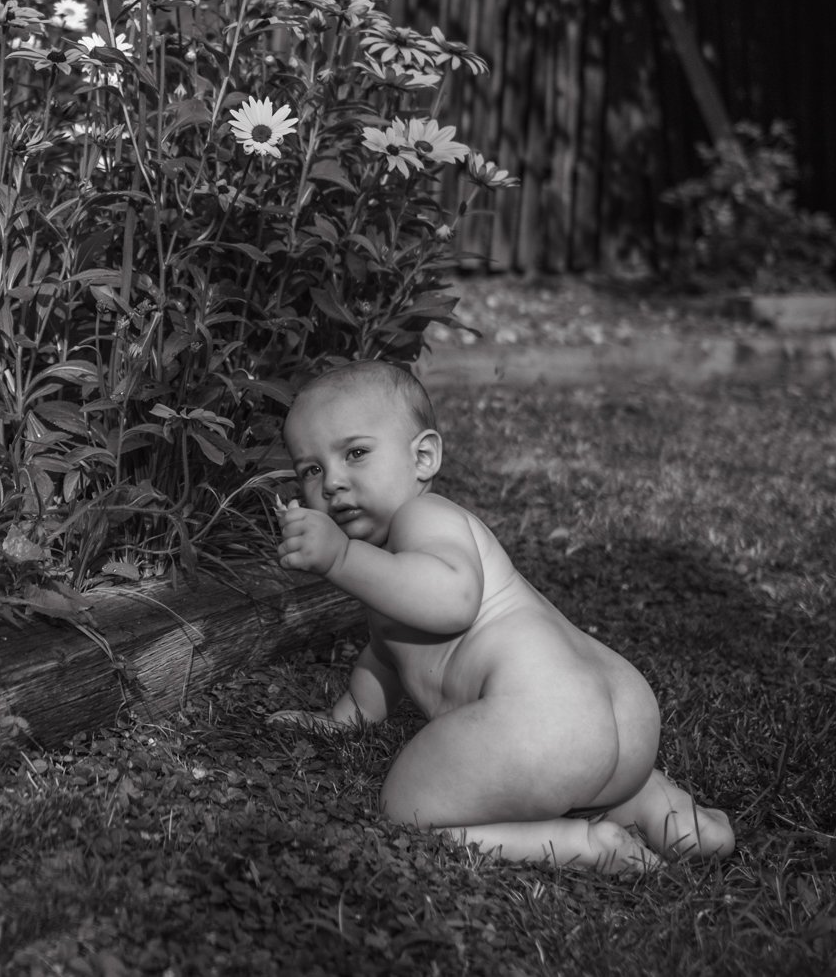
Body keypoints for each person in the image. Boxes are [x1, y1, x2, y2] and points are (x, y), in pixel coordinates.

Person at [270, 360, 735, 873]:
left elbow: (452, 600)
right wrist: (344, 720)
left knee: (407, 807)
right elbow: (384, 652)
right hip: (620, 711)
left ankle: (579, 846)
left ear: (423, 457)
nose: (332, 483)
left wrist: (340, 559)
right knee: (582, 768)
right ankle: (666, 812)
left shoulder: (423, 517)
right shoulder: (396, 570)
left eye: (356, 453)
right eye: (311, 469)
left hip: (545, 717)